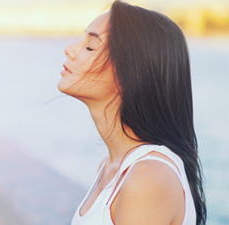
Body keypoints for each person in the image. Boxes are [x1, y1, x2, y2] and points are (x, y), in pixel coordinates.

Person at [58, 1, 207, 225]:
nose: (69, 49)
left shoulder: (147, 176)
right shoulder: (111, 166)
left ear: (130, 73)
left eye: (90, 46)